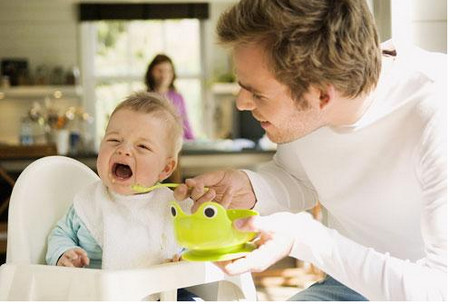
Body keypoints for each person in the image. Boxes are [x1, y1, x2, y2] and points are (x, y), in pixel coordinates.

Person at [174, 0, 447, 301]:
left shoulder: (437, 112)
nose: (241, 103)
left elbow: (438, 290)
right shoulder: (309, 101)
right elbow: (299, 177)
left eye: (257, 93)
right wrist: (252, 188)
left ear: (321, 94)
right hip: (348, 284)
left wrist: (307, 239)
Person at [46, 91, 197, 301]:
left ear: (165, 169)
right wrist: (64, 253)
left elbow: (194, 244)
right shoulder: (90, 202)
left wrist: (184, 261)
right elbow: (60, 234)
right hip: (95, 295)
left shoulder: (171, 206)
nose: (124, 150)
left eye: (142, 146)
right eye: (114, 140)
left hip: (162, 294)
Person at [145, 54, 195, 140]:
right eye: (159, 70)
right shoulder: (145, 99)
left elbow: (185, 124)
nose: (164, 75)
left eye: (168, 71)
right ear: (151, 72)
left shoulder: (178, 98)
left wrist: (193, 142)